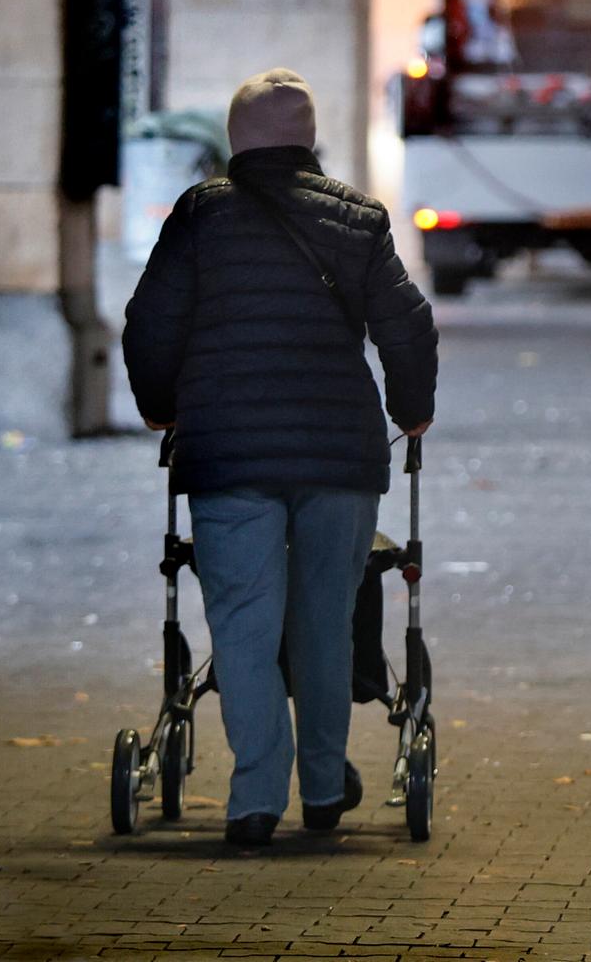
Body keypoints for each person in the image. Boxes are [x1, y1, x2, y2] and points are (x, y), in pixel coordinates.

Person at [123, 68, 439, 848]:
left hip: (228, 452)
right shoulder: (358, 217)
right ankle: (324, 787)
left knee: (243, 624)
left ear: (235, 138)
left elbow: (150, 321)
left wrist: (159, 406)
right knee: (327, 623)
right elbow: (407, 323)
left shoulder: (201, 214)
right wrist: (412, 410)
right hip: (338, 454)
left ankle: (255, 799)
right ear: (310, 138)